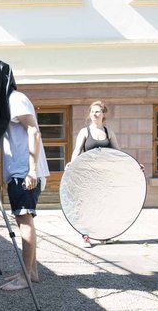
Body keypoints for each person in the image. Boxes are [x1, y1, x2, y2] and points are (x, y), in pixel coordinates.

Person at [0, 90, 50, 291]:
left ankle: (25, 276)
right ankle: (32, 272)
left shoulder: (15, 99)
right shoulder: (8, 102)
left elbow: (34, 131)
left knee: (24, 221)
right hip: (19, 172)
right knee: (24, 220)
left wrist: (32, 171)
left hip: (25, 173)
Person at [66, 101, 120, 248]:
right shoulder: (85, 132)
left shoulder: (109, 132)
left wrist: (134, 165)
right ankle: (86, 236)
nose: (94, 114)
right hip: (87, 176)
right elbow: (77, 151)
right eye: (92, 112)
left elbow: (118, 154)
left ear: (103, 114)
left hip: (104, 176)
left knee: (103, 205)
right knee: (86, 206)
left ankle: (102, 235)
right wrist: (72, 164)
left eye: (97, 112)